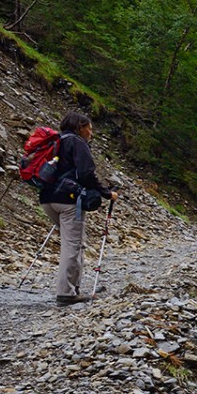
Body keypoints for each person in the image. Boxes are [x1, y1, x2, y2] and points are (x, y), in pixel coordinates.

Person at [39, 110, 118, 304]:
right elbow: (86, 174)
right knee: (73, 245)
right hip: (68, 201)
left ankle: (73, 287)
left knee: (70, 242)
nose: (91, 133)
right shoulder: (77, 143)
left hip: (47, 199)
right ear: (80, 127)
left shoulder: (55, 141)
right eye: (89, 129)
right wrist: (107, 193)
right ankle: (67, 293)